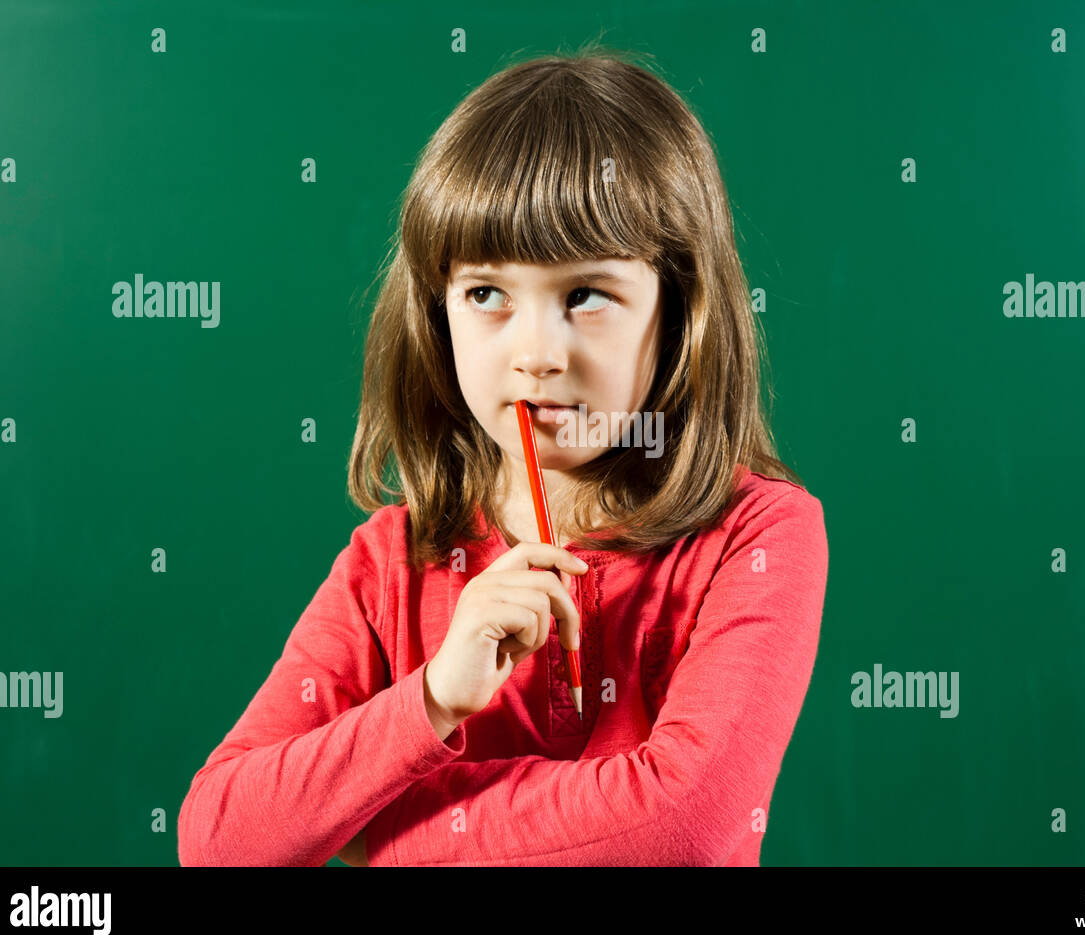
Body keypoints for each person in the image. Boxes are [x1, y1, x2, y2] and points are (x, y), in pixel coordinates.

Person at [177, 44, 828, 867]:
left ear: (677, 311)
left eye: (587, 295)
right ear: (438, 311)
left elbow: (679, 830)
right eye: (486, 294)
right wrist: (434, 698)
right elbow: (218, 841)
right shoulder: (390, 561)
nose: (535, 354)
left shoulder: (759, 534)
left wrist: (374, 827)